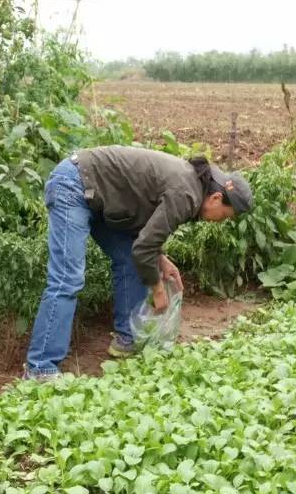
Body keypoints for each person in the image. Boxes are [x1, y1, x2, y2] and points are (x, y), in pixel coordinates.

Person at [23, 145, 254, 381]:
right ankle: (40, 367)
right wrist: (157, 289)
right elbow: (144, 248)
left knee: (128, 260)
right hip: (73, 185)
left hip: (98, 194)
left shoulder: (191, 186)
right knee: (67, 278)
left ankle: (127, 341)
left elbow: (146, 234)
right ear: (216, 198)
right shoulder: (187, 194)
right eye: (225, 216)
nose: (219, 222)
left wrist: (159, 257)